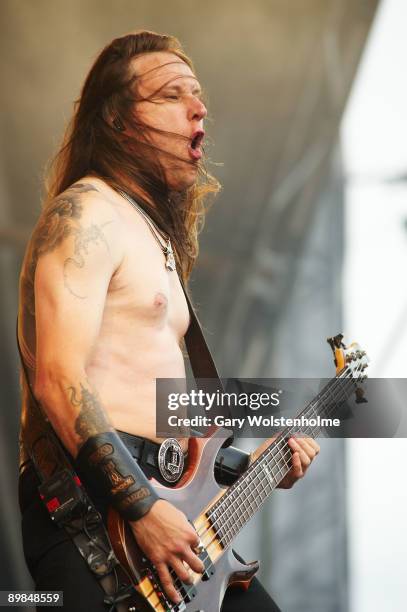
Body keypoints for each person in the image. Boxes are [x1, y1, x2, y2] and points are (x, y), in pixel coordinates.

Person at [17, 30, 320, 611]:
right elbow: (58, 377)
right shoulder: (86, 213)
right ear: (117, 120)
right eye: (172, 95)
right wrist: (142, 508)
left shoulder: (151, 237)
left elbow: (162, 411)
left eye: (199, 95)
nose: (198, 108)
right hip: (97, 516)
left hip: (171, 508)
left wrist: (255, 467)